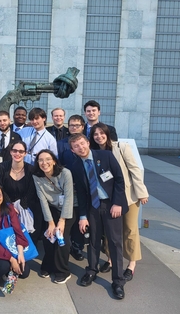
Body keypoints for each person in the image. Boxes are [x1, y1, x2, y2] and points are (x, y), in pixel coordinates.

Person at [69, 133, 128, 300]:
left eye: (82, 143)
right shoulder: (76, 166)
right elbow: (80, 192)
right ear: (72, 150)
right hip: (93, 207)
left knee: (115, 242)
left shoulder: (105, 155)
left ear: (88, 142)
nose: (80, 147)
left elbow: (119, 180)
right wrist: (82, 216)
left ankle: (117, 281)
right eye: (76, 146)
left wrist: (117, 203)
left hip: (111, 205)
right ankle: (91, 270)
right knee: (93, 240)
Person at [89, 123, 149, 281]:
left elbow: (134, 169)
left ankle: (131, 264)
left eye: (102, 133)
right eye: (96, 134)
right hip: (108, 199)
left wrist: (142, 192)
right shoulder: (93, 152)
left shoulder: (121, 147)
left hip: (127, 197)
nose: (99, 137)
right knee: (111, 231)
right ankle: (110, 259)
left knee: (130, 229)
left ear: (108, 134)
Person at [32, 150, 75, 284]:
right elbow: (42, 199)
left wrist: (61, 221)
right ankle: (48, 264)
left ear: (54, 161)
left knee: (61, 236)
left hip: (69, 208)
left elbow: (69, 197)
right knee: (49, 235)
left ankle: (63, 270)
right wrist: (50, 222)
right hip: (52, 208)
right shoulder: (37, 176)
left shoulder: (65, 173)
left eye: (48, 159)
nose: (44, 163)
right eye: (40, 160)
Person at [0, 140, 41, 243]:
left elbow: (31, 191)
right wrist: (10, 206)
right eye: (15, 151)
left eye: (21, 151)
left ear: (25, 153)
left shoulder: (31, 169)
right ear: (11, 152)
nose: (17, 154)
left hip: (26, 205)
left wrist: (19, 206)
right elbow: (0, 187)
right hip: (6, 204)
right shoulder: (2, 167)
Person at [57, 114, 86, 261]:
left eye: (77, 125)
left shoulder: (86, 142)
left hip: (85, 186)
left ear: (83, 127)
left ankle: (78, 247)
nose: (74, 128)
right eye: (71, 125)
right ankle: (66, 245)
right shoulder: (62, 143)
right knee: (70, 216)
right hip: (68, 186)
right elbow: (59, 164)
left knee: (82, 215)